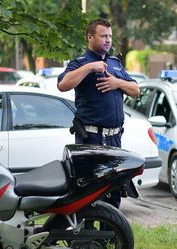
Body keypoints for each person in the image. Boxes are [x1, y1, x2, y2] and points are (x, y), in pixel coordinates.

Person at [57, 18, 139, 208]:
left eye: (110, 36)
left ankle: (109, 235)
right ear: (90, 37)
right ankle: (87, 235)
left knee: (113, 189)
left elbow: (135, 90)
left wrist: (118, 83)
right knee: (90, 190)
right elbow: (63, 85)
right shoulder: (81, 63)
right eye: (103, 36)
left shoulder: (115, 63)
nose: (108, 40)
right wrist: (90, 68)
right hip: (92, 138)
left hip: (114, 138)